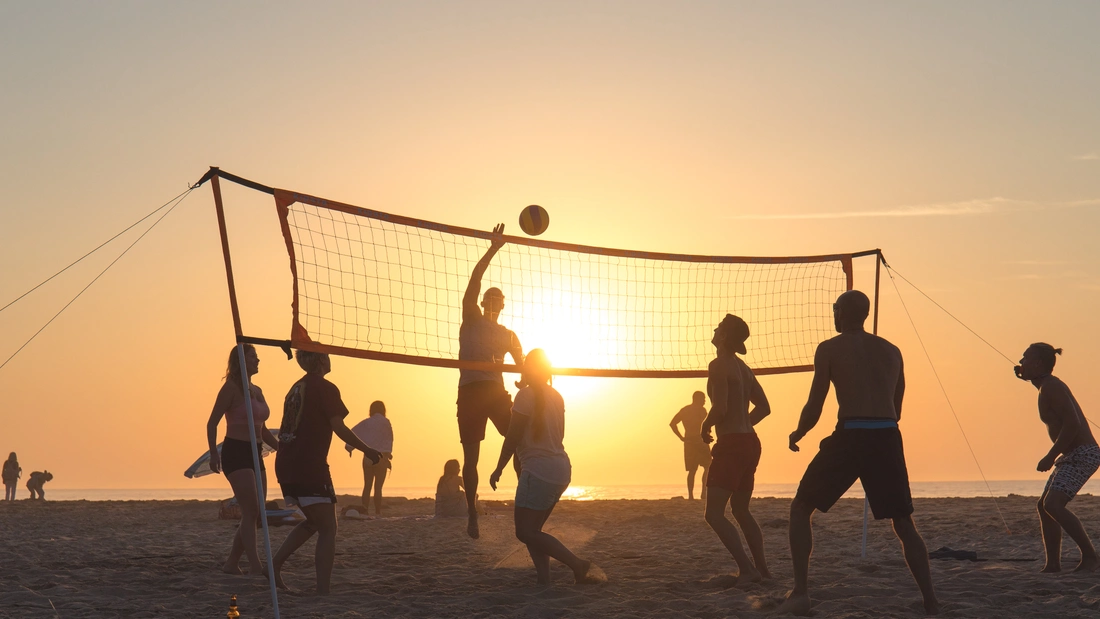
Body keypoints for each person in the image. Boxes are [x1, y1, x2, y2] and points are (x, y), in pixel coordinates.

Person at [778, 290, 938, 616]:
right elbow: (897, 408)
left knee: (800, 508)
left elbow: (815, 404)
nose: (833, 315)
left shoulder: (828, 349)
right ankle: (931, 602)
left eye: (835, 310)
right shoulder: (892, 351)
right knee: (904, 523)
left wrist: (799, 432)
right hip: (886, 436)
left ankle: (801, 592)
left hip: (851, 435)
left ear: (842, 313)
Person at [489, 349, 604, 585]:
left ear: (527, 369)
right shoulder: (556, 396)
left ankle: (577, 564)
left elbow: (512, 436)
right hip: (561, 470)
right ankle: (544, 580)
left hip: (539, 472)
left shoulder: (525, 396)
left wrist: (499, 468)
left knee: (525, 532)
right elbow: (557, 436)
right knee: (534, 531)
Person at [272, 350, 381, 594]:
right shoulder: (325, 387)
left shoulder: (295, 388)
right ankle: (323, 592)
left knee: (314, 522)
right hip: (308, 464)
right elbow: (338, 426)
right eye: (328, 355)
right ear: (321, 360)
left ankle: (274, 565)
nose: (331, 359)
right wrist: (367, 449)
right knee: (328, 527)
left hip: (286, 462)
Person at [457, 223, 524, 538]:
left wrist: (528, 384)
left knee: (521, 444)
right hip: (471, 391)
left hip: (496, 393)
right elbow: (474, 281)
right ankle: (472, 511)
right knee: (471, 458)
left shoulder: (508, 335)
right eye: (490, 298)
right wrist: (493, 248)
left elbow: (523, 368)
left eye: (499, 299)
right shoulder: (471, 318)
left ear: (503, 305)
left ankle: (525, 503)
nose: (494, 302)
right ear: (484, 303)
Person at [1015, 343, 1099, 573]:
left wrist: (1050, 456)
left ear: (1038, 363)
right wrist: (1030, 379)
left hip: (1083, 454)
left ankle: (1090, 557)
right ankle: (1053, 564)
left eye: (1025, 359)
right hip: (1072, 454)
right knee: (1044, 506)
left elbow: (1073, 423)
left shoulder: (1052, 386)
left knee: (1053, 504)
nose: (1020, 362)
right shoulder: (1045, 385)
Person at [700, 315, 772, 583]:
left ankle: (748, 570)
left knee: (713, 514)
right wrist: (742, 427)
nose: (714, 328)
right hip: (750, 442)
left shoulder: (719, 365)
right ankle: (763, 570)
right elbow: (764, 408)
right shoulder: (745, 368)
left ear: (724, 336)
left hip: (732, 444)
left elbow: (720, 409)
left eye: (718, 327)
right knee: (741, 510)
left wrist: (705, 426)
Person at [205, 344, 280, 576]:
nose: (258, 361)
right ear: (241, 361)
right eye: (253, 357)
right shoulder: (231, 389)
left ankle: (232, 563)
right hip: (235, 452)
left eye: (257, 357)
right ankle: (256, 567)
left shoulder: (257, 390)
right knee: (251, 510)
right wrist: (213, 453)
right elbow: (212, 423)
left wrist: (282, 449)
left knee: (256, 513)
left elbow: (263, 429)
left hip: (256, 452)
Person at [345, 401, 394, 516]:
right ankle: (377, 512)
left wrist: (349, 447)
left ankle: (365, 510)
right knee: (378, 487)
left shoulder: (367, 423)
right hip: (382, 457)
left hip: (368, 456)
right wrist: (388, 452)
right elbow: (390, 439)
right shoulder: (386, 422)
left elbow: (354, 432)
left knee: (367, 486)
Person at [670, 391, 712, 500]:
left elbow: (673, 424)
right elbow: (672, 423)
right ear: (697, 399)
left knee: (697, 469)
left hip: (691, 441)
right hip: (699, 440)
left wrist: (681, 437)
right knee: (704, 467)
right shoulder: (701, 411)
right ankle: (701, 493)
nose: (704, 401)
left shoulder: (685, 410)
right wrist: (680, 437)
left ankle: (694, 495)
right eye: (703, 399)